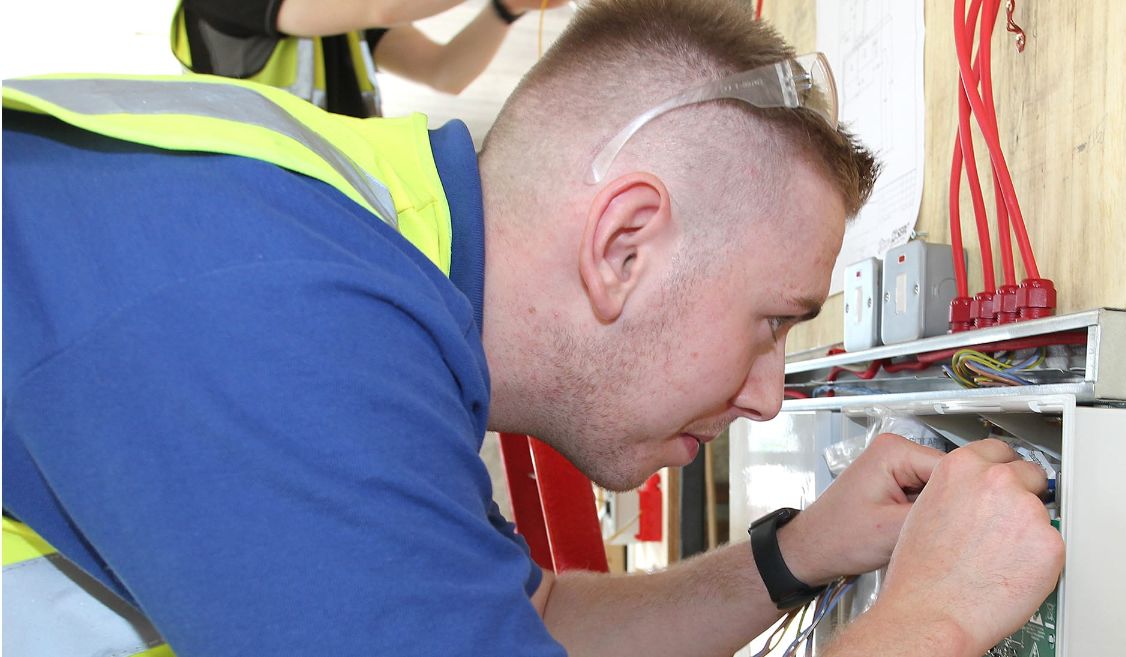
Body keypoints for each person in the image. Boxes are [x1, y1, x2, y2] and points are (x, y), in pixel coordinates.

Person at [2, 0, 1064, 655]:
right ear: (624, 245)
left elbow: (522, 630)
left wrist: (796, 557)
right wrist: (934, 619)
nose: (768, 393)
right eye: (768, 322)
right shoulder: (266, 317)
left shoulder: (373, 264)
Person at [172, 0, 568, 117]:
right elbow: (385, 8)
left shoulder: (340, 16)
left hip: (341, 200)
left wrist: (505, 10)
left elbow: (444, 71)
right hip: (266, 203)